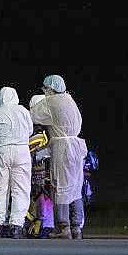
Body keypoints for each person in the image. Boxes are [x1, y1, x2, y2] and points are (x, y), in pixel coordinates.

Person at [30, 75, 88, 240]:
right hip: (76, 147)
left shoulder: (51, 102)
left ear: (50, 89)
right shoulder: (69, 99)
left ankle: (63, 227)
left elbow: (32, 116)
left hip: (63, 148)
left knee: (60, 186)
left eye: (45, 89)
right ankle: (76, 226)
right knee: (75, 187)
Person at [0, 87, 33, 239]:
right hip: (21, 151)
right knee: (20, 189)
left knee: (0, 188)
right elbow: (29, 130)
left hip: (1, 151)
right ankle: (16, 225)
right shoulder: (23, 110)